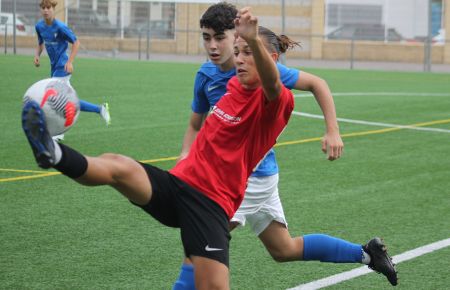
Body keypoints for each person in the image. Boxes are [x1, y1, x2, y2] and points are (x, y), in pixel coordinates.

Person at [22, 7, 298, 290]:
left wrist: (253, 40)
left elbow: (274, 83)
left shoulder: (278, 101)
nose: (239, 59)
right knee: (119, 166)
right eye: (237, 51)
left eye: (247, 52)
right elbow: (196, 124)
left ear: (271, 59)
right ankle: (53, 154)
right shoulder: (232, 86)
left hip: (211, 204)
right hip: (178, 185)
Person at [172, 3, 397, 289]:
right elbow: (195, 124)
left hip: (249, 178)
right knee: (283, 249)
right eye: (206, 38)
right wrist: (184, 155)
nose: (213, 46)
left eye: (221, 37)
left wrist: (333, 130)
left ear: (238, 35)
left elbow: (317, 83)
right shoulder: (205, 75)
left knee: (198, 246)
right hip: (251, 176)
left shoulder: (264, 70)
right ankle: (367, 253)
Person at [34, 0, 110, 140]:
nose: (45, 10)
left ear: (53, 9)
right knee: (68, 100)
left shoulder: (60, 27)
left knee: (57, 98)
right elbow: (40, 43)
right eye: (43, 8)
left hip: (62, 67)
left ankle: (59, 132)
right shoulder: (39, 26)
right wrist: (37, 55)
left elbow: (76, 42)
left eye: (48, 7)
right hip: (54, 67)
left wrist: (70, 62)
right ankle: (99, 109)